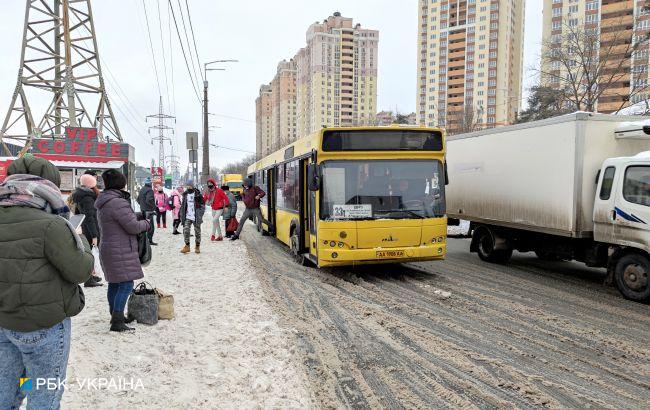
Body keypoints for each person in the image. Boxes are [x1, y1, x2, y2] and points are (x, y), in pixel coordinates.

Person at [0, 156, 94, 408]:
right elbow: (81, 271)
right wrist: (79, 239)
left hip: (4, 323)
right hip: (44, 327)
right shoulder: (53, 225)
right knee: (44, 395)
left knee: (9, 389)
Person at [95, 169, 151, 332]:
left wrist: (137, 215)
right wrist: (146, 223)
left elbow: (120, 219)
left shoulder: (105, 200)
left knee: (114, 283)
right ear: (121, 184)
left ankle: (115, 315)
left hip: (109, 247)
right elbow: (133, 227)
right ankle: (117, 321)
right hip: (120, 248)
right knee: (126, 283)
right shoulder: (118, 202)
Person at [71, 173, 104, 287]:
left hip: (85, 227)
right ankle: (89, 279)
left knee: (89, 253)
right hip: (90, 229)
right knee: (90, 254)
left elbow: (78, 213)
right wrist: (94, 235)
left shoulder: (80, 195)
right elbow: (90, 216)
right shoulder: (87, 198)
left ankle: (92, 276)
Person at [180, 179, 205, 254]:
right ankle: (187, 246)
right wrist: (182, 214)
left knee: (197, 232)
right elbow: (183, 206)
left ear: (193, 186)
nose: (189, 187)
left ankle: (197, 246)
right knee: (186, 230)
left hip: (196, 216)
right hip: (188, 216)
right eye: (187, 185)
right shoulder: (185, 194)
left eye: (190, 185)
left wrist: (200, 214)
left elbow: (203, 206)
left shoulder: (198, 194)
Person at [137, 177, 157, 245]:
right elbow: (149, 200)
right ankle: (149, 241)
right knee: (150, 227)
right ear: (150, 183)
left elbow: (138, 200)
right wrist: (154, 207)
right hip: (148, 211)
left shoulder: (142, 190)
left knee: (144, 226)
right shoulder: (149, 190)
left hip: (142, 210)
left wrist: (142, 206)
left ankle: (144, 241)